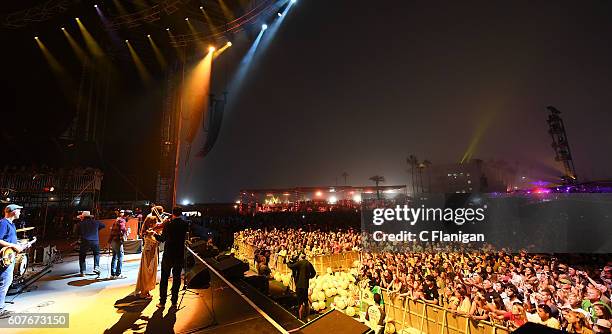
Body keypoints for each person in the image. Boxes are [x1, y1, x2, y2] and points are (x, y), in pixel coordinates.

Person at [154, 207, 189, 308]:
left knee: (164, 278)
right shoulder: (185, 224)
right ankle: (174, 301)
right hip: (179, 254)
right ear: (181, 213)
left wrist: (155, 234)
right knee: (177, 278)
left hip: (168, 254)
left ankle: (162, 302)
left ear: (173, 213)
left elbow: (162, 239)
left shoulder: (168, 224)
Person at [134, 206, 165, 299]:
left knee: (151, 272)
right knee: (147, 271)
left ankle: (146, 290)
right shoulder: (150, 231)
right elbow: (153, 233)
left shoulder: (152, 230)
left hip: (152, 253)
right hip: (148, 253)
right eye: (154, 223)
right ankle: (144, 291)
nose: (156, 224)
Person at [0, 204, 25, 318]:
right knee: (5, 282)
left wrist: (18, 245)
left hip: (10, 256)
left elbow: (10, 240)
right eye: (19, 210)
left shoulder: (12, 225)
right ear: (13, 211)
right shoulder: (3, 223)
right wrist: (13, 246)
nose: (20, 212)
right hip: (4, 258)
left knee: (6, 282)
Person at [287, 252, 316, 320]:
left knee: (299, 302)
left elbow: (291, 266)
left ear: (300, 257)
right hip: (305, 285)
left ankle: (300, 318)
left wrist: (288, 262)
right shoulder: (308, 263)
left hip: (299, 285)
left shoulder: (300, 263)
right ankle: (307, 316)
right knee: (305, 301)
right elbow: (314, 273)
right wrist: (308, 277)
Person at [77, 211, 105, 277]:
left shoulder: (80, 223)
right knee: (96, 254)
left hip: (85, 241)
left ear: (83, 217)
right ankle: (96, 267)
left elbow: (76, 232)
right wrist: (96, 229)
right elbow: (103, 225)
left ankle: (83, 272)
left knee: (82, 256)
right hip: (95, 241)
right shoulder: (96, 222)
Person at [108, 210, 128, 279]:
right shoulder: (122, 220)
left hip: (113, 241)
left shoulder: (116, 220)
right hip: (118, 241)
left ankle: (112, 274)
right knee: (120, 257)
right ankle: (118, 274)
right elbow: (122, 229)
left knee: (114, 257)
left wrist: (109, 241)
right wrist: (126, 232)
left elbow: (112, 232)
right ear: (127, 216)